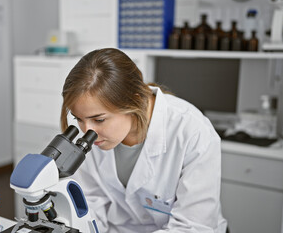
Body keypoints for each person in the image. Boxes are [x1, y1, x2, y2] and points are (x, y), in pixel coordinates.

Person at [60, 48, 227, 232]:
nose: (87, 132)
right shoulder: (92, 136)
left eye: (99, 119)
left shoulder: (192, 131)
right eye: (79, 119)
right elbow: (92, 207)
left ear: (134, 101)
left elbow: (193, 227)